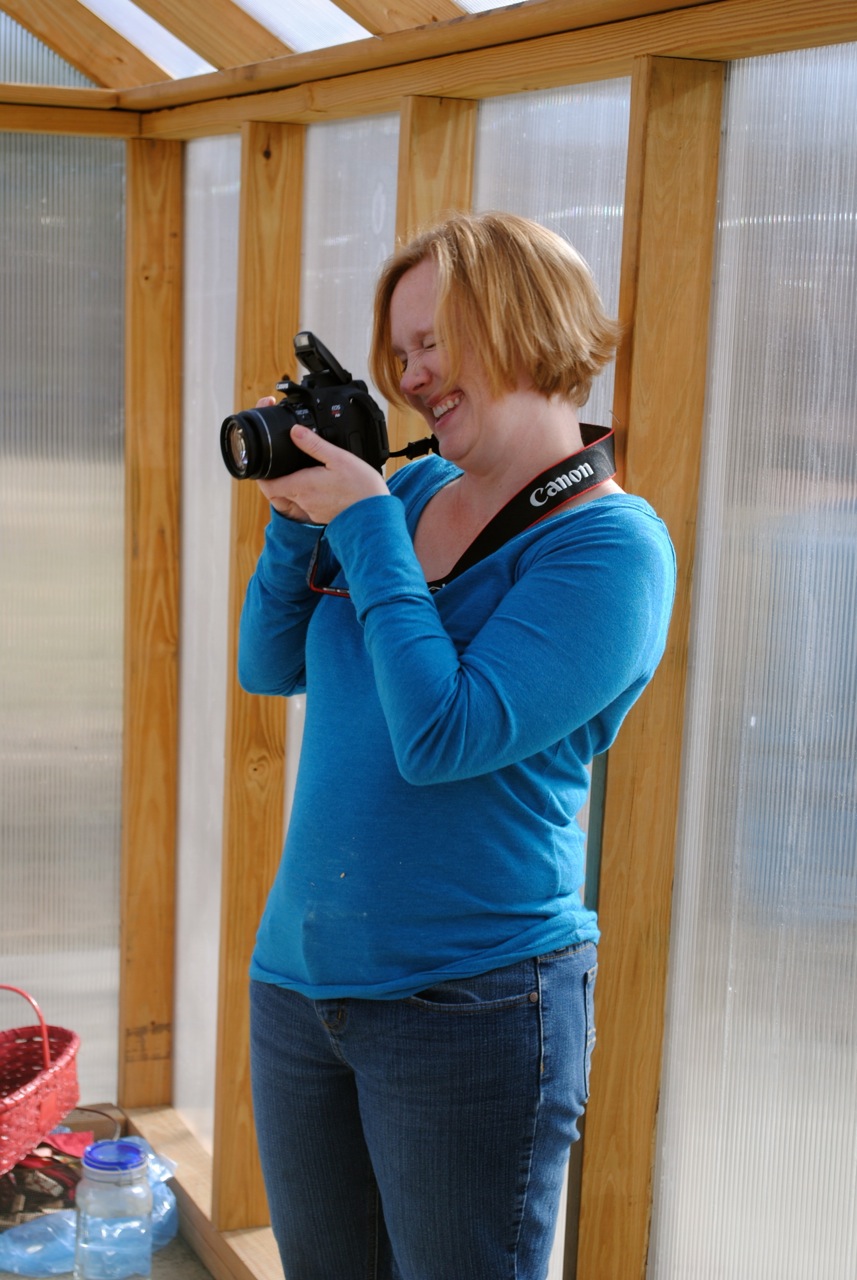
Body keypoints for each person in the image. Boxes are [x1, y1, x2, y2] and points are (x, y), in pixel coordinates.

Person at [238, 211, 676, 1280]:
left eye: (433, 342)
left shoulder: (609, 546)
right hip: (300, 983)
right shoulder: (411, 489)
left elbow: (443, 735)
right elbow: (268, 661)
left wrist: (364, 522)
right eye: (400, 352)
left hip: (471, 1003)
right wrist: (298, 519)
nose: (411, 376)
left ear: (524, 321)